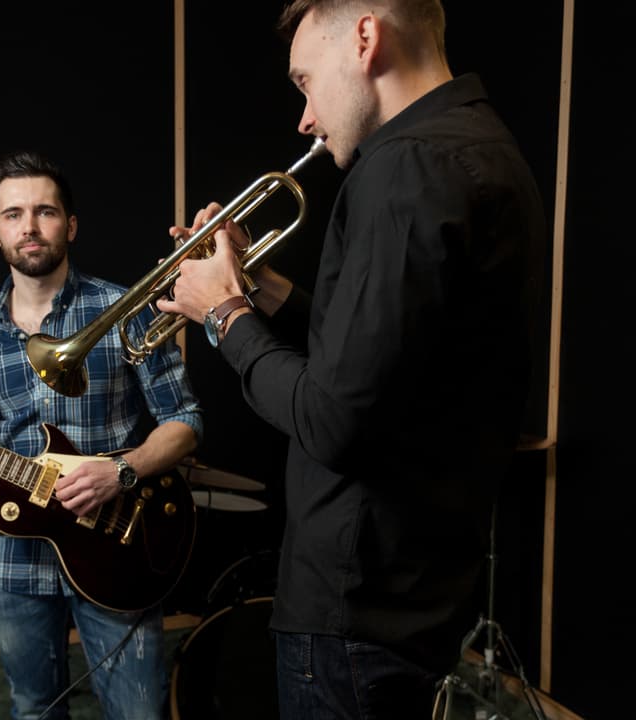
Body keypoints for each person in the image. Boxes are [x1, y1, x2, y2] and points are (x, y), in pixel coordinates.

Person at [156, 1, 547, 718]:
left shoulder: (406, 169)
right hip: (416, 589)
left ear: (366, 37)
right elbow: (381, 356)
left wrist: (222, 315)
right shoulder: (481, 146)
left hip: (355, 603)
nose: (304, 116)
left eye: (306, 82)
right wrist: (259, 287)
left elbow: (331, 419)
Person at [0, 150, 204, 720]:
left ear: (69, 225)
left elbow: (186, 422)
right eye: (14, 214)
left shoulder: (123, 309)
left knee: (139, 712)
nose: (29, 226)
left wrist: (120, 472)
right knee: (34, 709)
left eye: (45, 211)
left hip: (118, 547)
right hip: (12, 563)